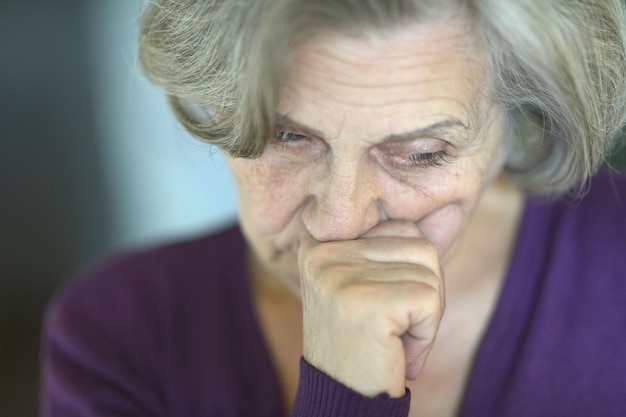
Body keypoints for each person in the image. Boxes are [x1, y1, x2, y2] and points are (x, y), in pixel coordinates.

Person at [41, 0, 626, 416]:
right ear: (219, 110)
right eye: (287, 137)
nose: (340, 225)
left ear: (517, 124)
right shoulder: (120, 335)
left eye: (420, 154)